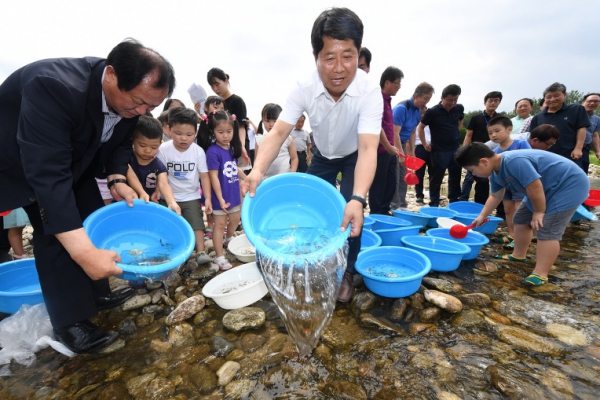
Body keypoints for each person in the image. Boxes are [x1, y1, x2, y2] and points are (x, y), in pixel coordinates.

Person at [0, 39, 175, 353]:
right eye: (138, 102)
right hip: (20, 164)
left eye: (150, 107)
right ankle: (70, 323)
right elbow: (49, 177)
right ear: (110, 75)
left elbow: (121, 141)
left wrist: (118, 178)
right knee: (57, 234)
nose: (141, 112)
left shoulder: (132, 101)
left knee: (92, 217)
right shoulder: (54, 87)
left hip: (72, 160)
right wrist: (82, 254)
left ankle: (96, 295)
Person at [243, 7, 382, 303]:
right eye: (329, 58)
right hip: (322, 155)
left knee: (352, 212)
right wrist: (256, 170)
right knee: (303, 205)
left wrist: (358, 198)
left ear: (359, 54)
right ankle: (303, 258)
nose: (339, 68)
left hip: (355, 154)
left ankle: (347, 271)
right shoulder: (304, 87)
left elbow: (370, 147)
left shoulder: (369, 91)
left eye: (348, 56)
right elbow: (277, 133)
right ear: (316, 57)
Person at [455, 142, 588, 286]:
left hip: (569, 184)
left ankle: (541, 273)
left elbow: (534, 186)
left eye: (472, 170)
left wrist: (539, 211)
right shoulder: (495, 173)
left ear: (483, 161)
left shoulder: (513, 161)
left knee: (547, 227)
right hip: (545, 189)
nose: (473, 174)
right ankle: (518, 255)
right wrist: (482, 216)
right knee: (520, 218)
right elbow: (495, 196)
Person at [158, 107, 213, 265]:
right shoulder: (163, 149)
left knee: (196, 223)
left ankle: (200, 251)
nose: (184, 138)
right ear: (169, 130)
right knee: (169, 224)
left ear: (195, 132)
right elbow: (160, 175)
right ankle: (173, 252)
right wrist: (157, 191)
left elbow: (204, 176)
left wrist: (207, 198)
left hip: (191, 195)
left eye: (189, 135)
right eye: (178, 134)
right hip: (169, 196)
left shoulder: (198, 152)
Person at [205, 110, 245, 271]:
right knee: (220, 224)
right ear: (213, 132)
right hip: (219, 196)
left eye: (229, 131)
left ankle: (228, 239)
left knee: (235, 219)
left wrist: (246, 178)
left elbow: (234, 168)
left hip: (234, 193)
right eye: (221, 132)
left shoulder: (230, 149)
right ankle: (219, 256)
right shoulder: (212, 152)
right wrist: (220, 198)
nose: (225, 135)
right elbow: (213, 177)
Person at [487, 116, 531, 247]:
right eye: (490, 133)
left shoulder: (520, 144)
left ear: (509, 129)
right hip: (505, 185)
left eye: (497, 130)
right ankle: (512, 234)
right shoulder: (495, 152)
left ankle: (520, 238)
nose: (493, 135)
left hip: (520, 184)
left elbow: (529, 159)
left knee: (520, 211)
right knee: (508, 209)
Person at [417, 84, 464, 206]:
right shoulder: (432, 112)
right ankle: (434, 201)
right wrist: (424, 143)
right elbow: (421, 127)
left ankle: (454, 200)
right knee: (436, 178)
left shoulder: (459, 108)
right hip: (439, 150)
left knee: (455, 176)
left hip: (455, 148)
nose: (452, 103)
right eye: (449, 100)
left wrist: (457, 132)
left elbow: (460, 120)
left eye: (455, 100)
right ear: (442, 97)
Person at [391, 82, 434, 209]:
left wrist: (412, 152)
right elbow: (395, 133)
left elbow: (413, 131)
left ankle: (402, 204)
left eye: (429, 99)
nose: (426, 102)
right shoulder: (401, 108)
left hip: (403, 143)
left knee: (404, 174)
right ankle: (394, 205)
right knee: (395, 175)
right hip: (392, 144)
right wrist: (400, 155)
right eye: (425, 98)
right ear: (416, 96)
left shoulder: (418, 110)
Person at [126, 115, 180, 215]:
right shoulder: (126, 159)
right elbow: (129, 173)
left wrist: (172, 202)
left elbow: (164, 184)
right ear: (133, 140)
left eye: (154, 147)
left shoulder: (158, 166)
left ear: (160, 143)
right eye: (142, 145)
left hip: (147, 207)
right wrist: (142, 192)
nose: (148, 150)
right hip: (125, 204)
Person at [529, 82, 590, 169]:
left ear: (565, 95)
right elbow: (533, 137)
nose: (552, 99)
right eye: (549, 97)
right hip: (546, 155)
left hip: (570, 154)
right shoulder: (538, 117)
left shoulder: (576, 109)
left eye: (556, 95)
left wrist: (578, 148)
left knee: (571, 178)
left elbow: (582, 128)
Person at [369, 66, 403, 214]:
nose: (398, 87)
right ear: (387, 82)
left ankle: (384, 209)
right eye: (397, 84)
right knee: (379, 183)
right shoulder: (377, 100)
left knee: (391, 182)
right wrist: (388, 146)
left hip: (390, 149)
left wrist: (394, 147)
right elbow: (377, 125)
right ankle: (376, 212)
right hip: (380, 150)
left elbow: (390, 128)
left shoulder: (388, 102)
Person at [460, 91, 502, 205]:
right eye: (490, 100)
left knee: (485, 180)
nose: (493, 103)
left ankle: (480, 205)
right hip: (475, 152)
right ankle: (462, 201)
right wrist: (464, 152)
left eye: (496, 100)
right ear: (485, 103)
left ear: (499, 102)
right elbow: (468, 135)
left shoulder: (501, 118)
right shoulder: (476, 118)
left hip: (493, 153)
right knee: (469, 177)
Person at [207, 68, 250, 166]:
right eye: (212, 86)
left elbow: (241, 127)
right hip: (221, 149)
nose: (215, 89)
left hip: (236, 147)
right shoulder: (214, 104)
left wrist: (241, 147)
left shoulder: (237, 101)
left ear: (226, 80)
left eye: (217, 84)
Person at [255, 103, 298, 178]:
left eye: (275, 121)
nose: (271, 124)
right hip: (266, 179)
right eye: (267, 121)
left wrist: (292, 174)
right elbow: (256, 161)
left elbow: (294, 158)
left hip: (284, 178)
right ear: (262, 120)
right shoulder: (259, 140)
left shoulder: (288, 139)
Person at [414, 107, 431, 204]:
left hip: (432, 148)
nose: (423, 115)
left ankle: (433, 195)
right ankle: (419, 195)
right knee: (419, 173)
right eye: (421, 113)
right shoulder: (415, 123)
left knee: (433, 173)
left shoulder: (431, 123)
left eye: (425, 113)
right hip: (420, 148)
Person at [581, 93, 600, 174]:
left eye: (596, 101)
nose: (592, 103)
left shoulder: (597, 119)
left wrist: (598, 151)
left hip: (585, 148)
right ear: (583, 102)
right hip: (570, 147)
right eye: (590, 101)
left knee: (583, 172)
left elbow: (594, 135)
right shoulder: (574, 114)